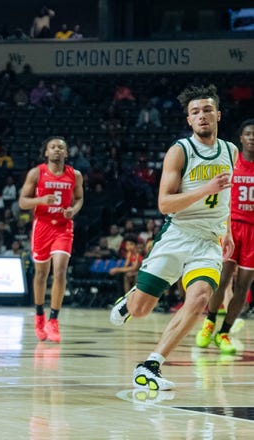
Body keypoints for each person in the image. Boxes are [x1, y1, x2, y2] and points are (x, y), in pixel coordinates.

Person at [110, 84, 237, 390]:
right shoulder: (180, 151)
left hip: (208, 240)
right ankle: (132, 300)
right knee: (141, 311)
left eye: (207, 110)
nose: (202, 116)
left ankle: (151, 364)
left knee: (201, 299)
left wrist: (229, 231)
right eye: (195, 112)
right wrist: (206, 189)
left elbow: (226, 197)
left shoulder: (231, 151)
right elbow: (165, 204)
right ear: (189, 120)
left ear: (218, 114)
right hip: (177, 235)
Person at [195, 119, 254, 354]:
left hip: (252, 231)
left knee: (243, 286)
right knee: (221, 278)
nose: (252, 138)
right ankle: (210, 321)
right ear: (241, 138)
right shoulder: (231, 161)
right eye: (248, 134)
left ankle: (224, 332)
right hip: (230, 227)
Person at [18, 136, 84, 343]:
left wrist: (73, 209)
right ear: (46, 152)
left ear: (66, 153)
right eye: (53, 147)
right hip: (42, 226)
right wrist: (40, 200)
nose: (57, 150)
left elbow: (80, 198)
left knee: (61, 270)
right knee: (41, 274)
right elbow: (22, 202)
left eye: (61, 147)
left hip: (63, 228)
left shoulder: (75, 175)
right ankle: (39, 316)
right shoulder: (36, 173)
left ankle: (53, 320)